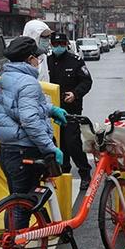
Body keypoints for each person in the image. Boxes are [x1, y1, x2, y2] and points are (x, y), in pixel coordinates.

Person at [0, 36, 68, 249]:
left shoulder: (8, 77)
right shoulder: (29, 83)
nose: (39, 61)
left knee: (17, 200)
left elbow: (15, 106)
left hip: (8, 149)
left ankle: (16, 244)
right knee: (22, 204)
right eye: (38, 57)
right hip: (24, 150)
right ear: (30, 58)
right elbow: (30, 120)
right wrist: (51, 148)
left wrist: (52, 110)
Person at [48, 31, 94, 190]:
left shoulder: (75, 61)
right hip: (51, 110)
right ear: (51, 45)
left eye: (61, 44)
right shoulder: (46, 62)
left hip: (70, 110)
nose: (58, 47)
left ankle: (85, 173)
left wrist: (75, 94)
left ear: (66, 44)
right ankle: (63, 171)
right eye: (55, 45)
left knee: (72, 142)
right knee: (57, 143)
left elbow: (87, 82)